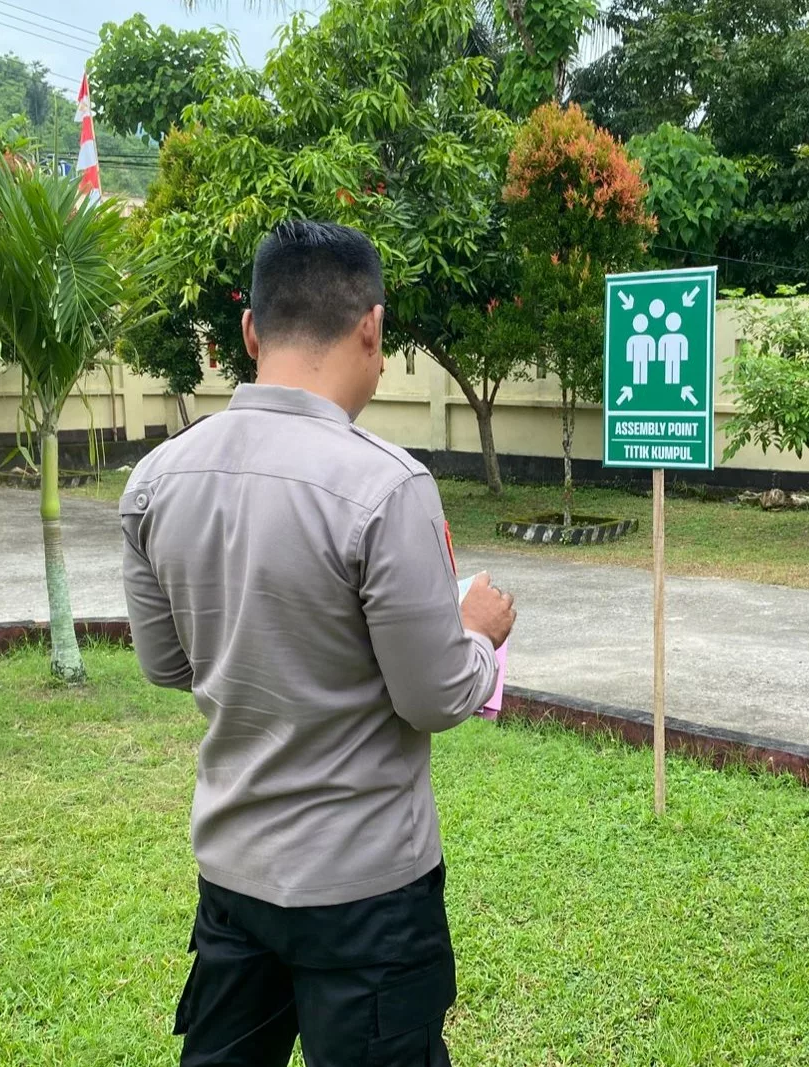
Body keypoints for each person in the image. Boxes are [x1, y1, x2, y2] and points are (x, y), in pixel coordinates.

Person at [119, 220, 516, 1067]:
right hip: (366, 888)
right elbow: (435, 695)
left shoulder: (156, 479)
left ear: (252, 332)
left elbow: (165, 663)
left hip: (233, 873)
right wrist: (477, 633)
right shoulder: (385, 483)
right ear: (371, 327)